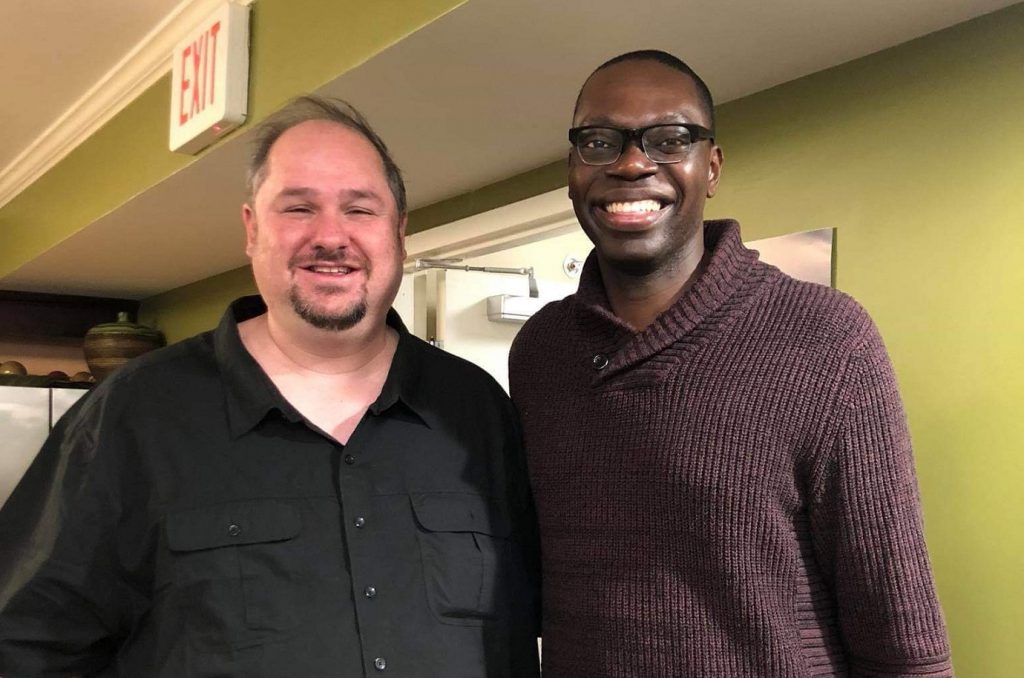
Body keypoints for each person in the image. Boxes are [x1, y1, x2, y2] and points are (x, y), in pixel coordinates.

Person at [0, 96, 540, 678]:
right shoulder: (132, 413)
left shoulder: (477, 408)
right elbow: (27, 643)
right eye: (298, 208)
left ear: (399, 233)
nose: (331, 236)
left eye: (360, 210)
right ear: (251, 230)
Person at [509, 50, 952, 677]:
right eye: (600, 141)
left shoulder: (826, 339)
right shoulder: (541, 352)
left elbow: (900, 637)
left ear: (710, 166)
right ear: (573, 169)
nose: (633, 162)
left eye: (670, 138)